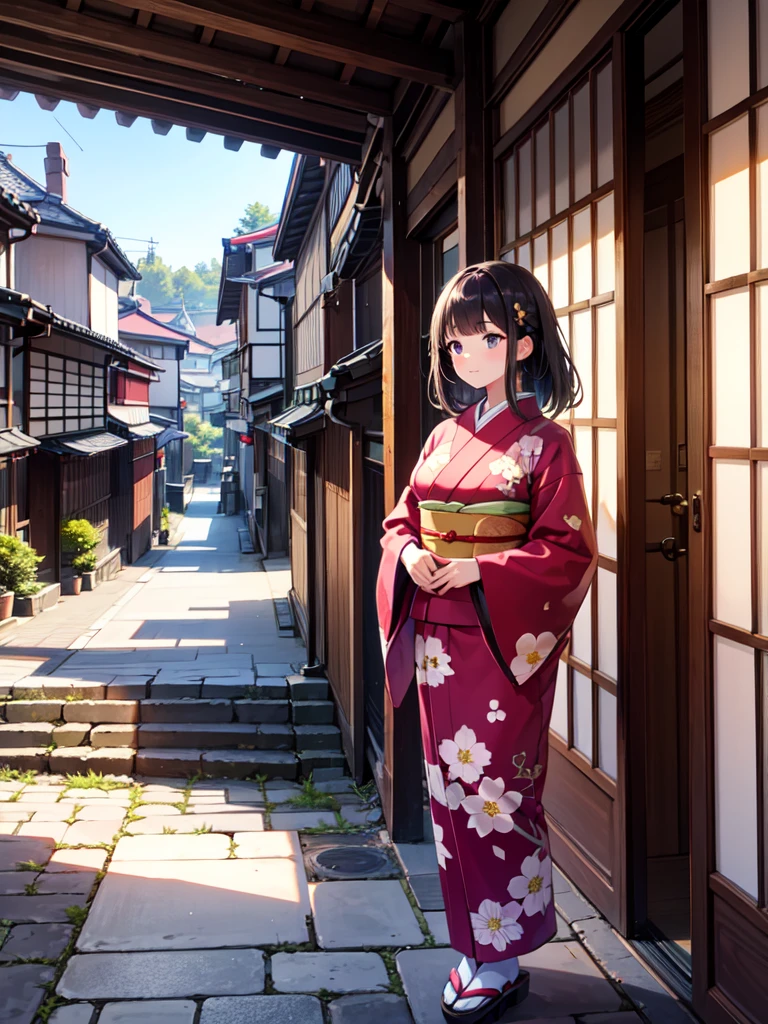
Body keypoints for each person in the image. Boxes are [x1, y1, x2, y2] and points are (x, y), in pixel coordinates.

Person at [376, 261, 597, 1023]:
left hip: (501, 647)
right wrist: (409, 555)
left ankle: (498, 955)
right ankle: (474, 946)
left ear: (525, 342)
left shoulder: (546, 445)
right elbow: (402, 517)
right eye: (457, 341)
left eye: (489, 336)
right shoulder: (442, 436)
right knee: (449, 797)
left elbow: (564, 553)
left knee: (496, 795)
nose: (469, 353)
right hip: (436, 641)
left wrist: (475, 567)